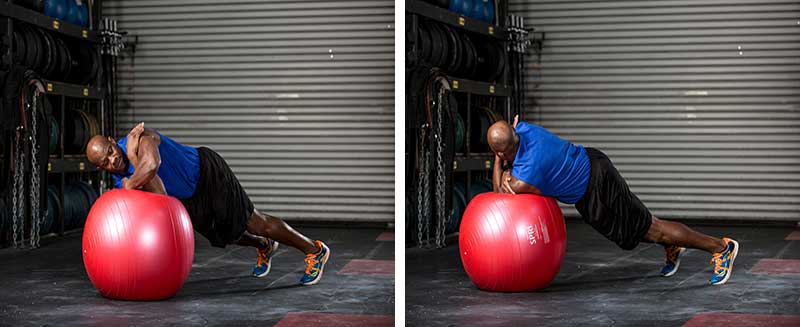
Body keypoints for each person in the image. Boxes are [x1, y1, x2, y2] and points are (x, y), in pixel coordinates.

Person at [487, 116, 738, 285]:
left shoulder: (525, 177)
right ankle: (673, 246)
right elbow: (513, 130)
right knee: (630, 234)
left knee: (653, 228)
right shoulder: (524, 128)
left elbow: (500, 193)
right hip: (592, 173)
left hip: (597, 186)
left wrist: (497, 160)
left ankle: (721, 248)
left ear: (501, 150)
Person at [86, 123, 330, 285]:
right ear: (100, 168)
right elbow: (161, 195)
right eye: (105, 161)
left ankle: (315, 250)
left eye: (110, 150)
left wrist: (132, 169)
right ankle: (264, 246)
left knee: (254, 222)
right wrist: (130, 163)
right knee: (223, 236)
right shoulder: (122, 179)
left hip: (207, 171)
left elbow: (151, 166)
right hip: (188, 199)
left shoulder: (139, 137)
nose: (113, 158)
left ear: (111, 140)